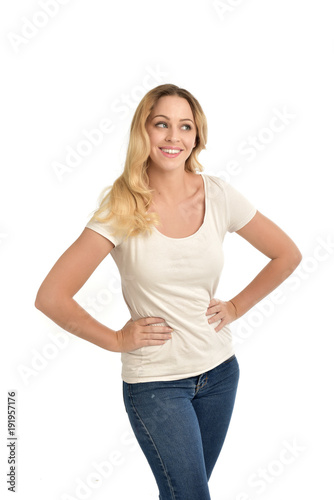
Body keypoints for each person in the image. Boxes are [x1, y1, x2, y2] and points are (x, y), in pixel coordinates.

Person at [35, 83, 302, 499]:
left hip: (219, 374)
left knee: (182, 493)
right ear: (144, 131)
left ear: (197, 137)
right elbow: (51, 296)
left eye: (185, 126)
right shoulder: (120, 208)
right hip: (157, 384)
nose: (173, 137)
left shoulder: (218, 195)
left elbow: (286, 254)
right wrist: (116, 340)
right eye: (162, 124)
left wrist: (235, 306)